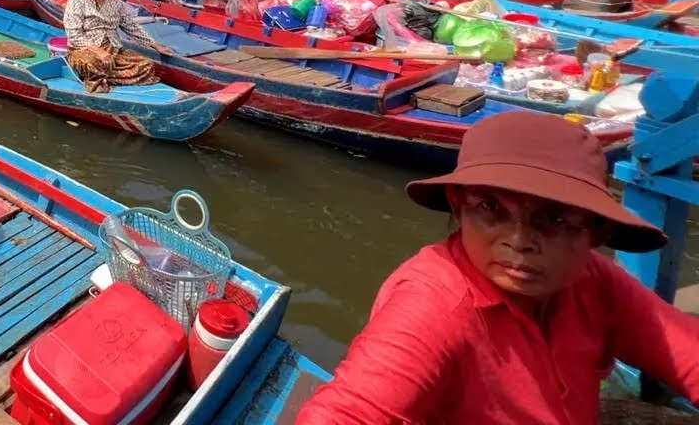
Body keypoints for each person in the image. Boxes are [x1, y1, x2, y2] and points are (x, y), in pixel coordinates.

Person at [296, 111, 699, 424]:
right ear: (459, 207)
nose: (519, 240)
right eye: (491, 208)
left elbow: (685, 351)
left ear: (595, 232)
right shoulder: (436, 302)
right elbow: (350, 411)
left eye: (554, 220)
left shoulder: (592, 279)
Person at [62, 0, 170, 93]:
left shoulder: (116, 2)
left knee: (146, 65)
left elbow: (131, 27)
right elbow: (74, 35)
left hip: (114, 51)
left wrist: (154, 44)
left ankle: (104, 78)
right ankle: (102, 78)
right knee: (91, 63)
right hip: (85, 50)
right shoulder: (76, 1)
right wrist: (99, 51)